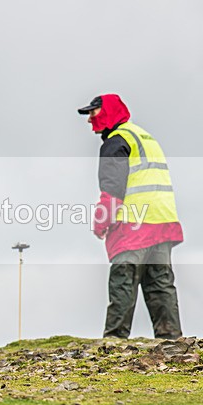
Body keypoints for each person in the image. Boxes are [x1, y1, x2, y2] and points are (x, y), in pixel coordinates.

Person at [78, 94, 183, 339]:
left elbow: (112, 188)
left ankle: (115, 341)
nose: (90, 119)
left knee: (123, 281)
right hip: (163, 221)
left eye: (93, 112)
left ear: (108, 111)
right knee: (160, 285)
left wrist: (101, 221)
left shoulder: (116, 141)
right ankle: (172, 341)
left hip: (134, 225)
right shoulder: (144, 137)